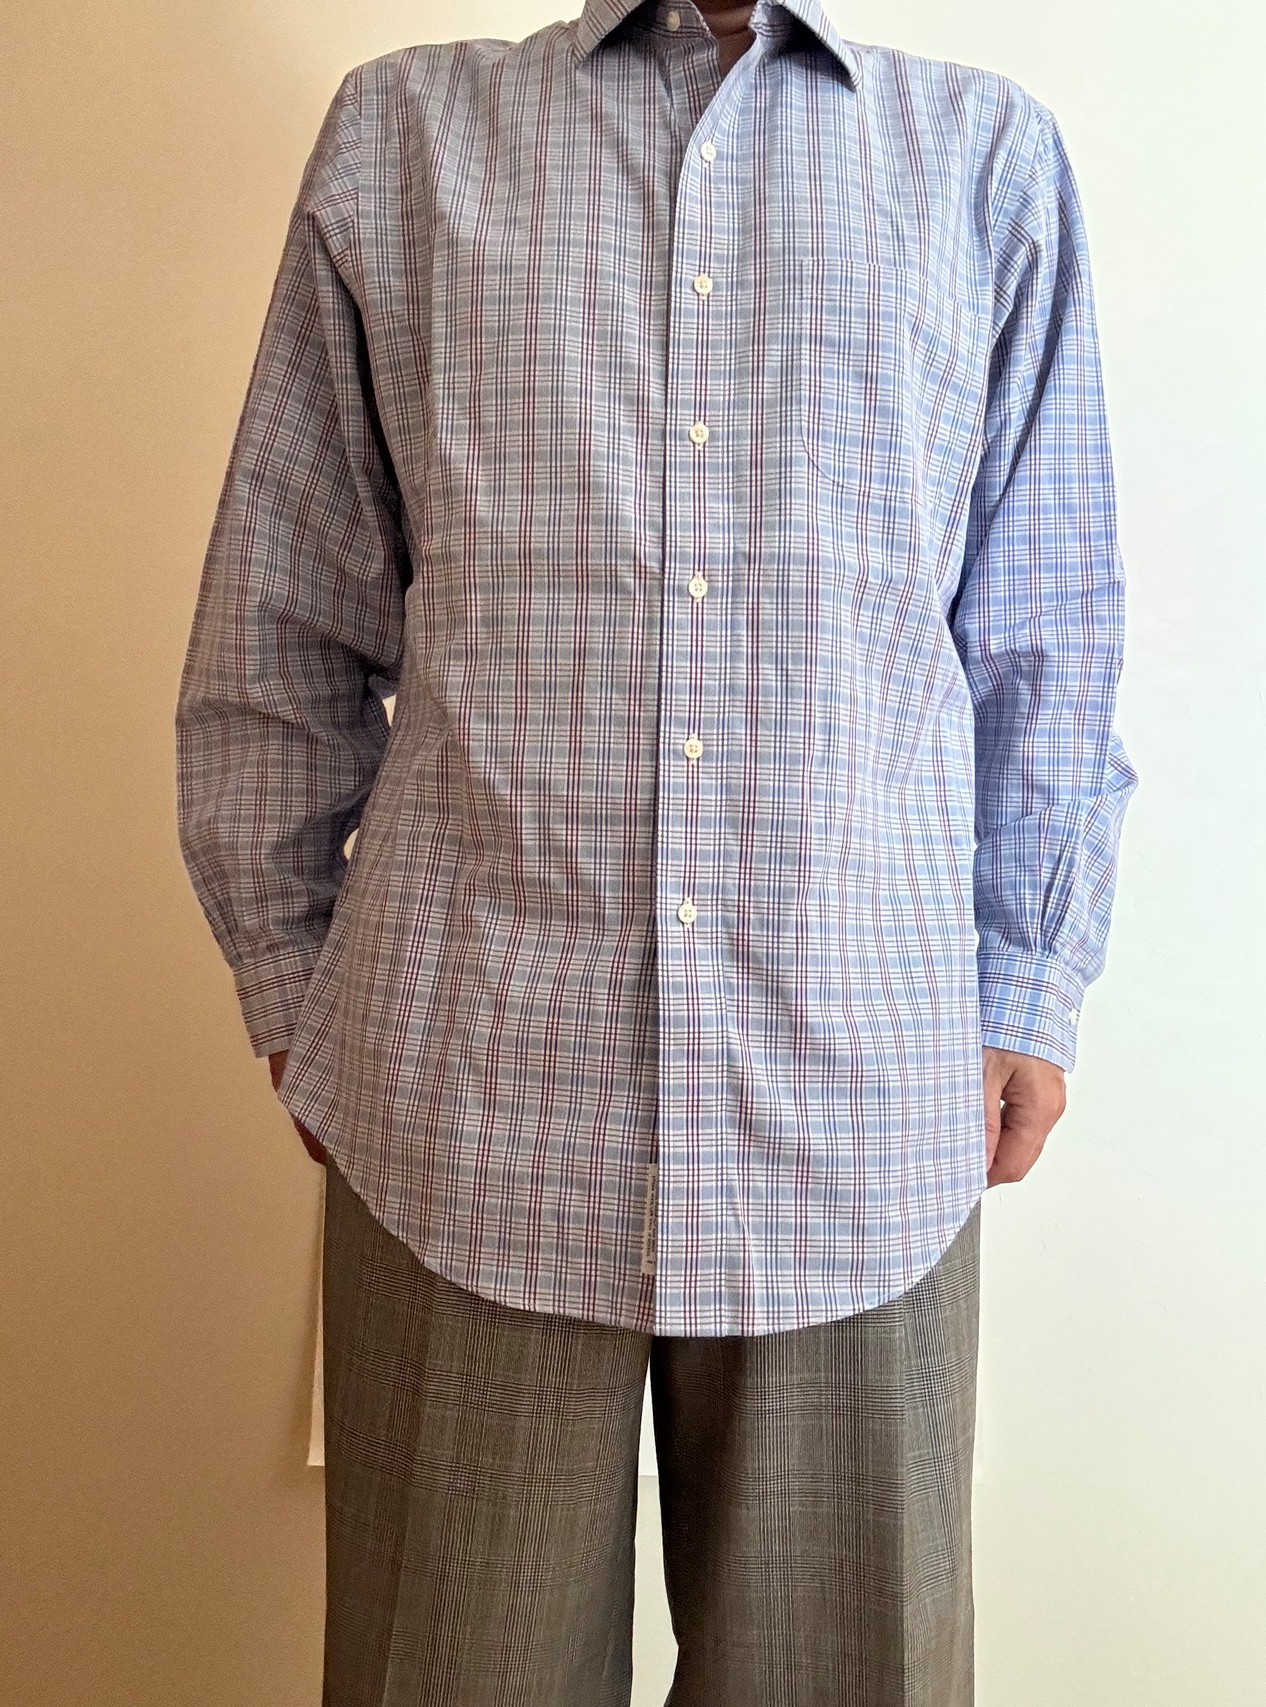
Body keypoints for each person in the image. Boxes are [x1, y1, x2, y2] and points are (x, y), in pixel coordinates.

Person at [174, 0, 1139, 1700]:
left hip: (862, 1102)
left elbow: (1043, 634)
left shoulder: (985, 159)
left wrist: (1028, 984)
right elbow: (282, 611)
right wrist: (291, 975)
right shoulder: (405, 140)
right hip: (463, 1099)